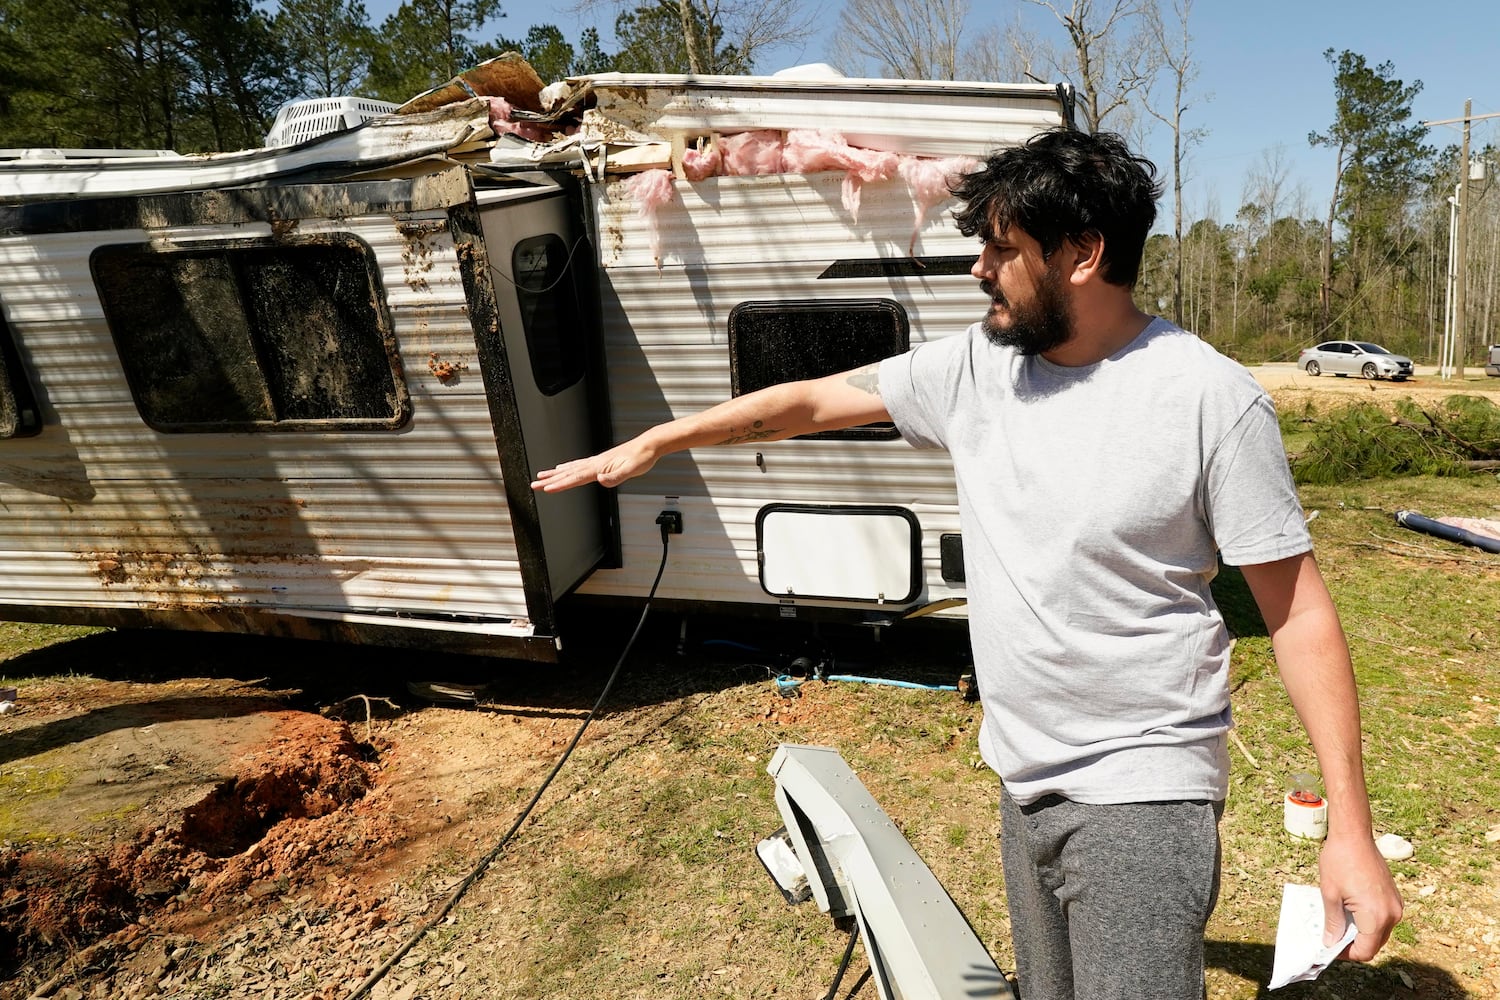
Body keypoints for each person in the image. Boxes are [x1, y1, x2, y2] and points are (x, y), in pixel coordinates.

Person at [531, 127, 1402, 1000]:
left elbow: (1297, 615)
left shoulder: (1210, 399)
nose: (979, 269)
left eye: (1002, 248)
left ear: (1084, 254)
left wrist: (1350, 831)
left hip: (1143, 791)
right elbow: (806, 401)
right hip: (1022, 776)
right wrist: (659, 438)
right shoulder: (979, 369)